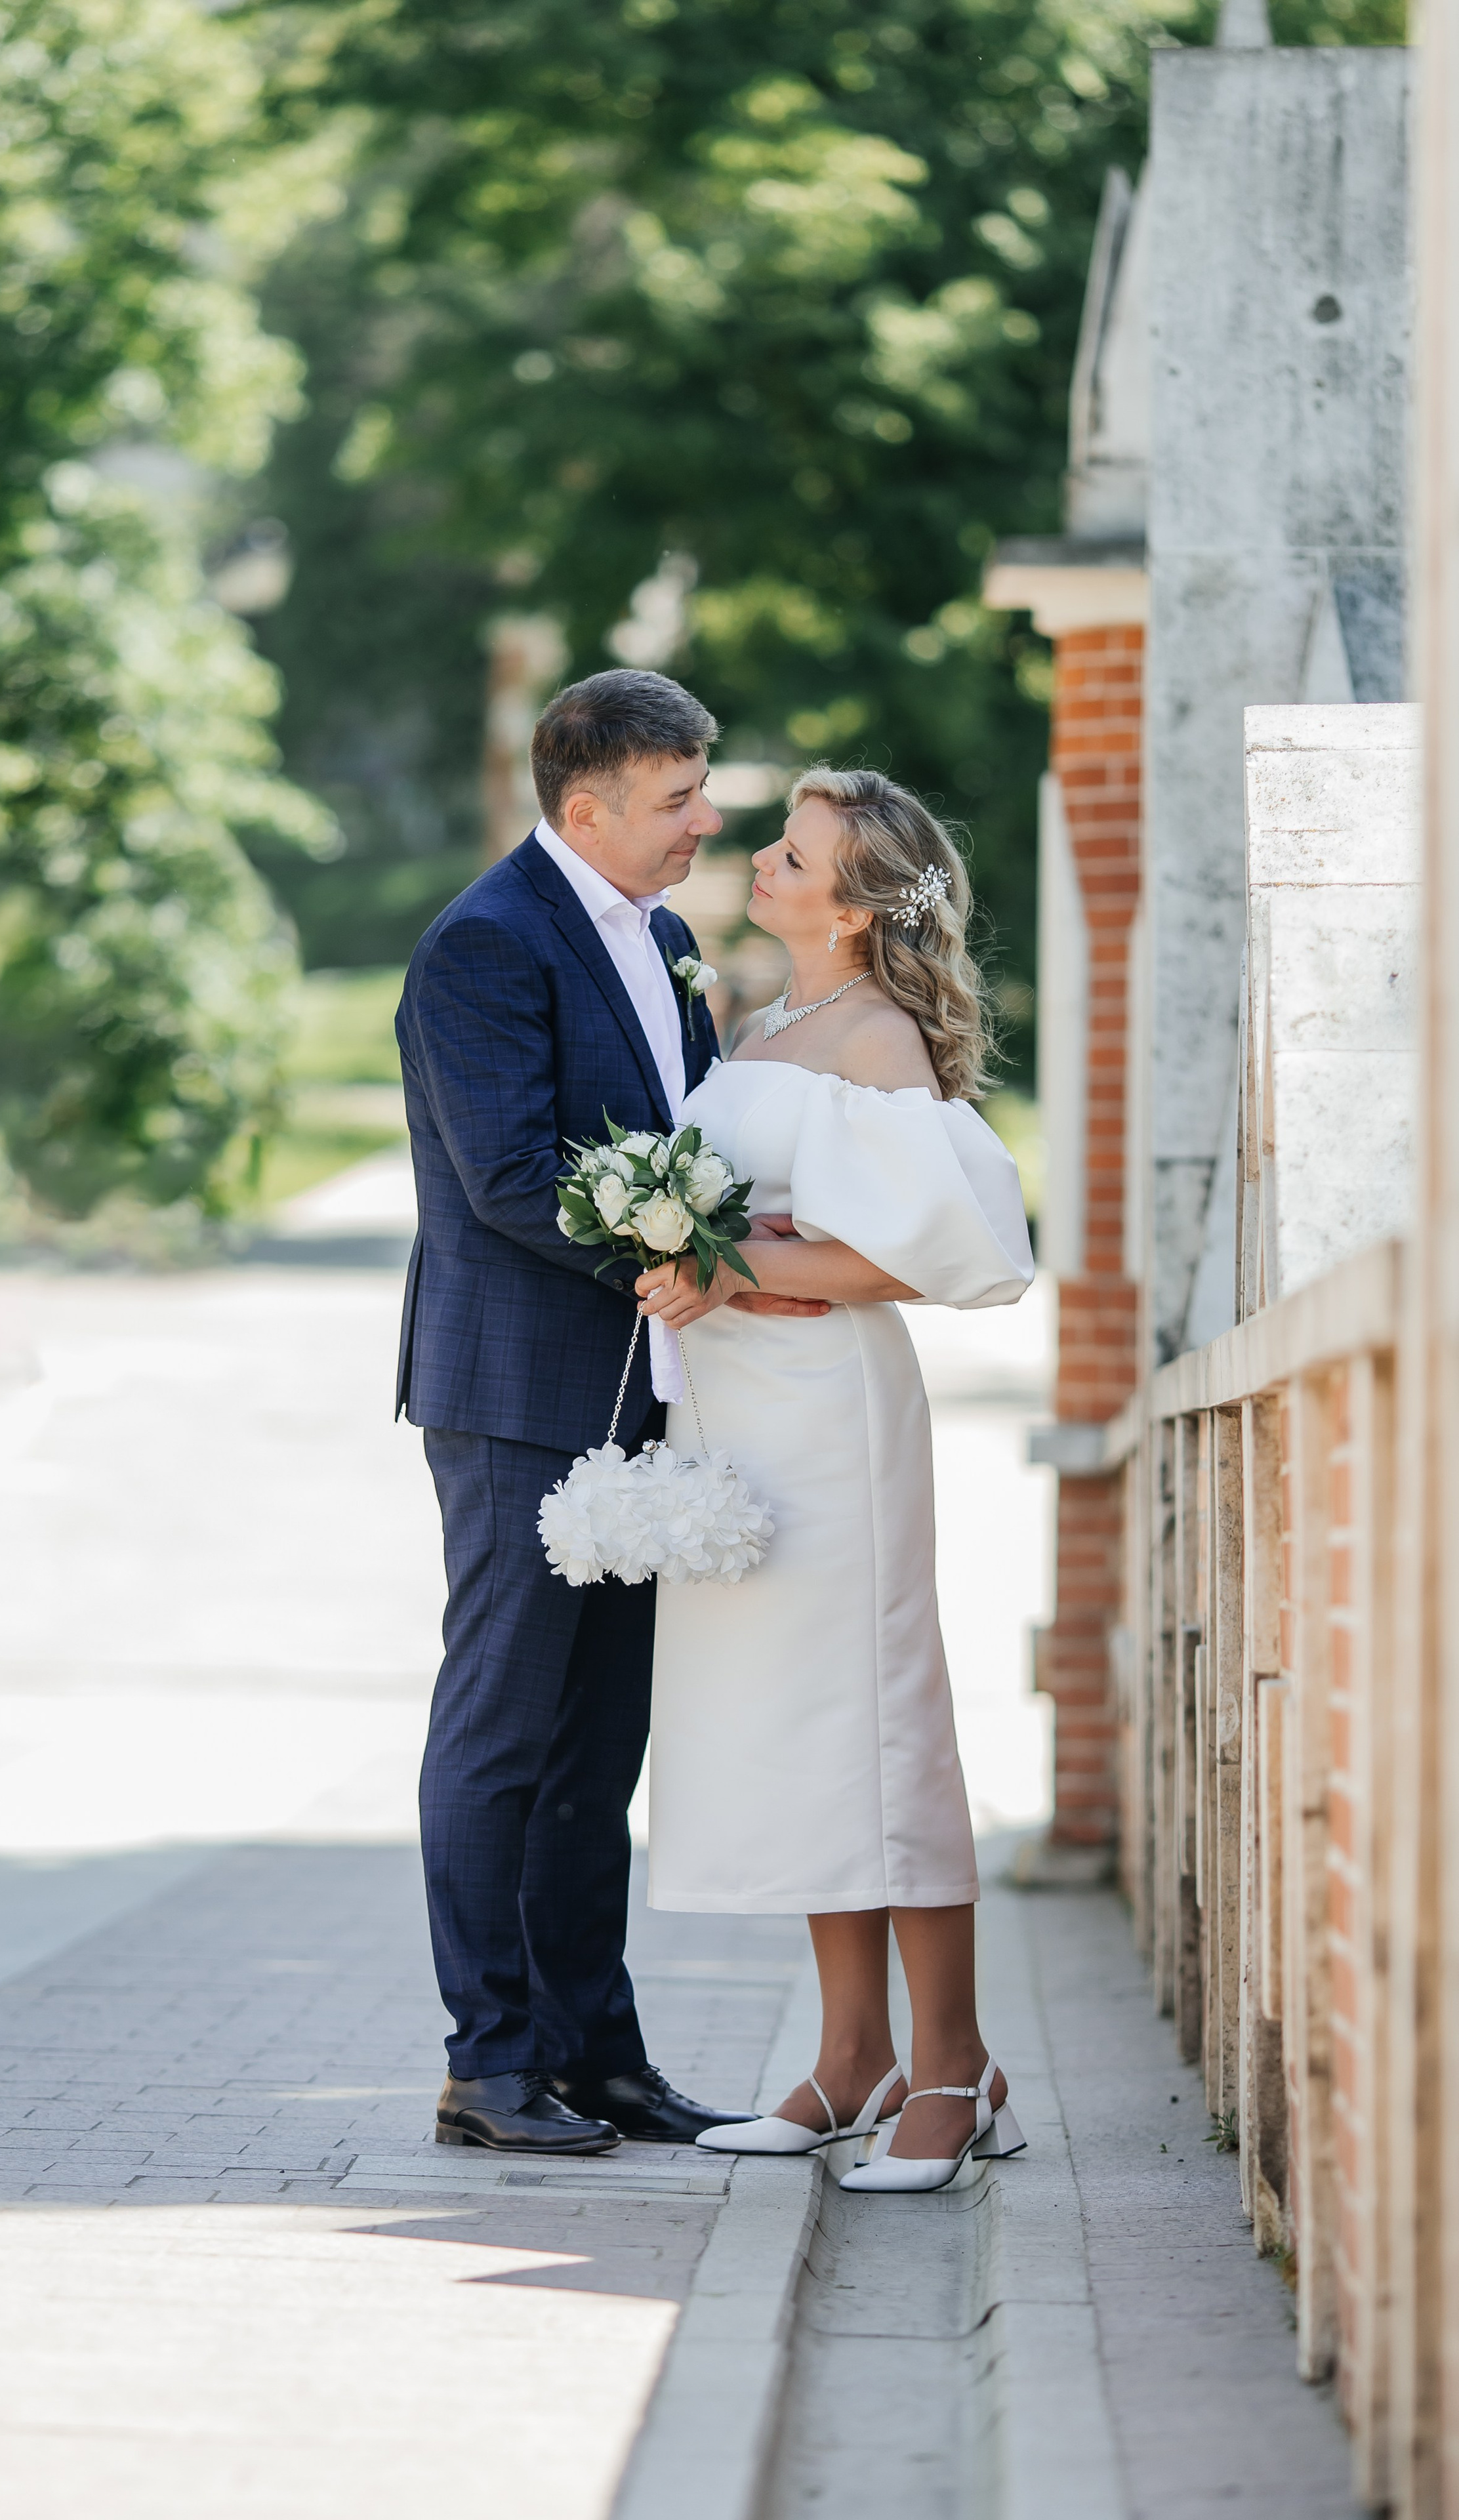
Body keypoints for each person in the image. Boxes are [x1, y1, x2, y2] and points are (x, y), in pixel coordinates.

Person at [394, 668, 822, 2155]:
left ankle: (594, 2054)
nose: (703, 821)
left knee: (598, 1747)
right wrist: (685, 1253)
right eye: (677, 799)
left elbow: (683, 1130)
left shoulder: (656, 933)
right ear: (586, 808)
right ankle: (487, 2062)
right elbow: (511, 1176)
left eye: (701, 791)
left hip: (646, 1392)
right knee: (503, 1731)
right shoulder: (483, 946)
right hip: (518, 1397)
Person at [634, 767, 1036, 2193]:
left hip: (829, 1415)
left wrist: (720, 1265)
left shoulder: (872, 1040)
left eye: (792, 853)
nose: (762, 860)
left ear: (860, 910)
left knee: (878, 1729)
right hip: (739, 1409)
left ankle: (950, 2069)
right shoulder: (764, 1024)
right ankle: (847, 2055)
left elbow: (902, 1260)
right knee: (802, 1736)